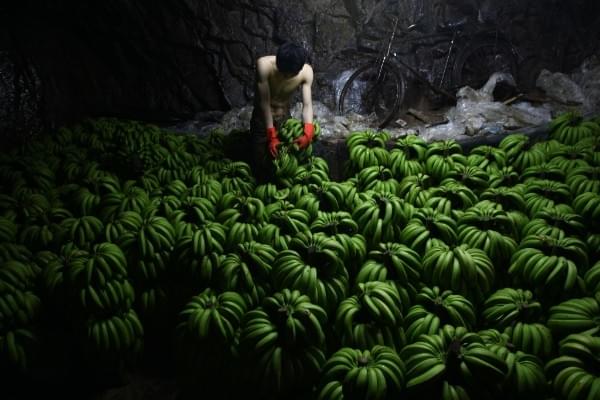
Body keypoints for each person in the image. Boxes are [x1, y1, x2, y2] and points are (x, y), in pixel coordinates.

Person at [250, 42, 314, 182]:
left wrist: (308, 129)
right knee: (260, 162)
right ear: (278, 64)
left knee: (286, 157)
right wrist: (271, 134)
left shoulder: (306, 72)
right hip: (262, 118)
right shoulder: (264, 66)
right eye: (283, 73)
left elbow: (307, 104)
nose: (286, 77)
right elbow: (264, 103)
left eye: (291, 74)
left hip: (285, 117)